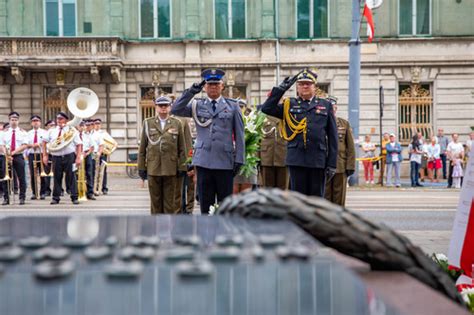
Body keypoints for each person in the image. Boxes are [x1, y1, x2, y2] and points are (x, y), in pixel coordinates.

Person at [171, 69, 245, 215]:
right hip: (204, 162)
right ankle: (206, 236)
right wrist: (191, 92)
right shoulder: (197, 105)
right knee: (205, 205)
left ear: (222, 86)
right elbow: (175, 109)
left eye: (216, 84)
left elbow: (239, 134)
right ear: (204, 87)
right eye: (210, 84)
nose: (213, 87)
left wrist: (239, 159)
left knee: (226, 206)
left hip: (225, 162)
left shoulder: (232, 106)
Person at [261, 69, 338, 197]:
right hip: (297, 159)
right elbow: (267, 108)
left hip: (317, 160)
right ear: (297, 87)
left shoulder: (325, 105)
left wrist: (331, 163)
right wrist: (280, 90)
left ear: (315, 86)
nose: (305, 86)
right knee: (297, 199)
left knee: (316, 199)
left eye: (308, 83)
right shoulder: (289, 105)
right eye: (301, 84)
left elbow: (332, 136)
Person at [138, 96, 187, 214]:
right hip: (153, 168)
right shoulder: (148, 123)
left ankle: (168, 228)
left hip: (171, 169)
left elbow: (182, 148)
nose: (163, 108)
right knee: (155, 202)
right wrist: (141, 167)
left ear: (170, 107)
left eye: (166, 105)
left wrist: (182, 167)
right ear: (156, 107)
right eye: (161, 106)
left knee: (170, 202)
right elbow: (142, 148)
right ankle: (155, 227)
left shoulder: (177, 123)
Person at [42, 112, 82, 205]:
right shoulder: (52, 131)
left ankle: (74, 197)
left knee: (71, 177)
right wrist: (45, 155)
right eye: (57, 119)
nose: (59, 121)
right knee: (57, 177)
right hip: (56, 157)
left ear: (66, 120)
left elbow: (79, 144)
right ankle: (56, 198)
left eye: (61, 119)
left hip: (69, 157)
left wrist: (78, 157)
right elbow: (44, 142)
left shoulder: (72, 131)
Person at [325, 99, 355, 206]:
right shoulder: (319, 123)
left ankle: (338, 219)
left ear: (336, 109)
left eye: (333, 108)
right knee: (325, 197)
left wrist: (350, 166)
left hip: (340, 165)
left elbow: (350, 147)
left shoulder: (344, 124)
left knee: (339, 197)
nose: (331, 110)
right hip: (323, 165)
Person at [1, 112, 28, 205]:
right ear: (9, 121)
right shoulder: (4, 133)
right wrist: (7, 154)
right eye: (12, 120)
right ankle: (6, 198)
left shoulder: (23, 132)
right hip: (7, 156)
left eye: (16, 120)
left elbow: (24, 145)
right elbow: (2, 145)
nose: (14, 122)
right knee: (6, 178)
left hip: (18, 156)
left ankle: (22, 198)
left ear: (18, 121)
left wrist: (13, 152)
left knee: (21, 178)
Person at [259, 115, 288, 190]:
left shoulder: (287, 117)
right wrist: (257, 157)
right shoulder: (262, 117)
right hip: (266, 157)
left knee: (282, 188)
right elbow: (257, 139)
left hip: (283, 157)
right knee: (266, 188)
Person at [26, 115, 48, 200]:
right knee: (33, 174)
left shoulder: (44, 132)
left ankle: (42, 192)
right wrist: (32, 145)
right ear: (31, 123)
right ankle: (34, 193)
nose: (36, 122)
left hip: (41, 153)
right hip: (32, 154)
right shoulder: (28, 133)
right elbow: (25, 145)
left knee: (42, 174)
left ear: (40, 122)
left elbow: (48, 143)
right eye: (34, 121)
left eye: (37, 121)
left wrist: (40, 146)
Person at [43, 119, 56, 196]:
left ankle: (59, 189)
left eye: (54, 125)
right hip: (47, 154)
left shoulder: (56, 133)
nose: (52, 127)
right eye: (51, 125)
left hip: (55, 154)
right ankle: (47, 190)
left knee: (57, 173)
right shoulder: (43, 134)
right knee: (46, 174)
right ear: (46, 127)